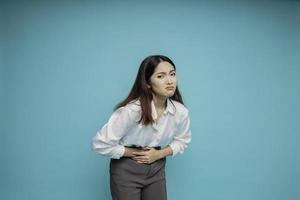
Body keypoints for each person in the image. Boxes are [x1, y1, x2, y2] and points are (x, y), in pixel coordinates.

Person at [91, 55, 192, 200]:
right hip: (127, 169)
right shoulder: (132, 111)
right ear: (148, 82)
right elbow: (99, 143)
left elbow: (183, 140)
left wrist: (158, 154)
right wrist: (133, 152)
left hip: (157, 167)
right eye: (160, 76)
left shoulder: (180, 111)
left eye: (172, 74)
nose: (170, 81)